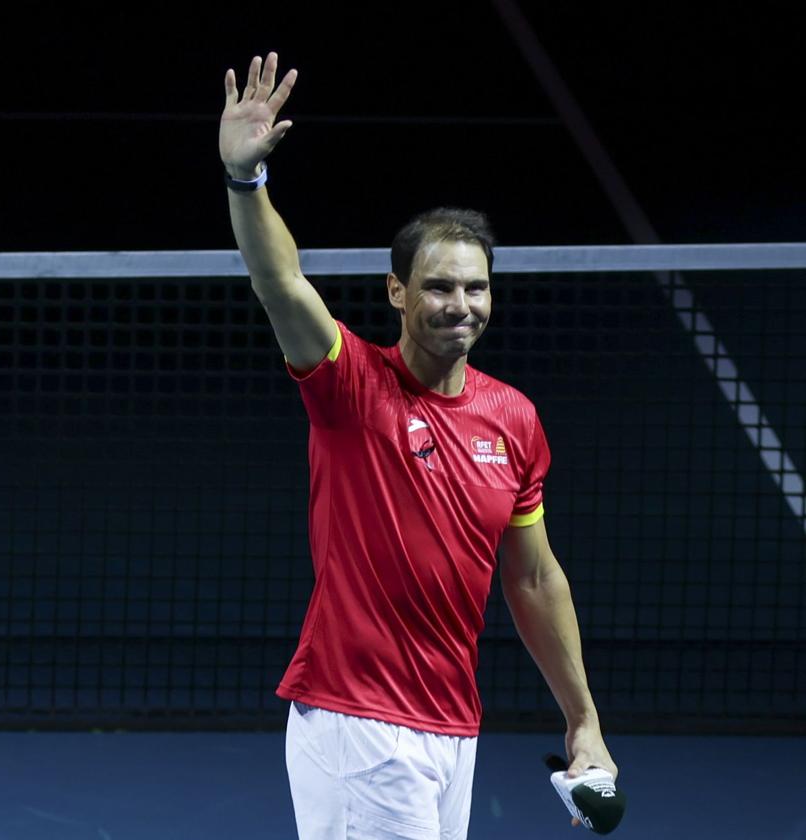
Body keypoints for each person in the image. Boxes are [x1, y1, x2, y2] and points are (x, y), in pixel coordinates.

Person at [219, 52, 617, 839]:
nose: (458, 305)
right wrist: (244, 180)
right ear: (398, 292)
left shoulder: (514, 419)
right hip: (357, 719)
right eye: (438, 287)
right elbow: (280, 282)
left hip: (450, 725)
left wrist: (584, 721)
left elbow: (533, 579)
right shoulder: (350, 386)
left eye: (475, 287)